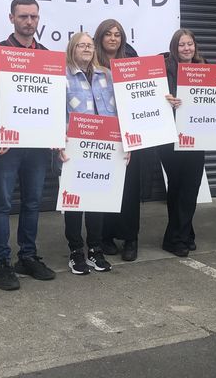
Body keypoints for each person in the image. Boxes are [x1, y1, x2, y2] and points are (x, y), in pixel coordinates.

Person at [0, 0, 56, 291]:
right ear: (11, 18)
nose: (29, 22)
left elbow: (51, 102)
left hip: (37, 145)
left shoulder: (48, 55)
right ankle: (3, 263)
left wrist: (53, 135)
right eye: (23, 16)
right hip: (6, 143)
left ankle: (28, 256)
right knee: (2, 202)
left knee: (34, 201)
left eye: (33, 17)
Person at [160, 29, 216, 256]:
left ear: (195, 46)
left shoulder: (205, 67)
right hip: (170, 137)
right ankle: (179, 237)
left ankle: (180, 234)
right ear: (175, 47)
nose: (186, 48)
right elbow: (152, 98)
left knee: (190, 187)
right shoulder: (163, 69)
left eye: (190, 44)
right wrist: (166, 100)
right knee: (177, 187)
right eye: (182, 45)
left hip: (196, 136)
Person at [60, 32, 124, 274]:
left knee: (97, 201)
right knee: (74, 203)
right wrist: (57, 144)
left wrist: (124, 145)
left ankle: (95, 250)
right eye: (81, 45)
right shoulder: (61, 76)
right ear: (72, 49)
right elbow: (54, 112)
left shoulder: (106, 75)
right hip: (73, 149)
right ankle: (76, 251)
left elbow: (123, 109)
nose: (86, 48)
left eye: (89, 45)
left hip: (104, 148)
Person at [95, 18, 147, 262]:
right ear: (100, 37)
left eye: (117, 34)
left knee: (129, 188)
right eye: (108, 34)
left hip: (130, 132)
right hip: (102, 132)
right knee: (105, 185)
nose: (113, 38)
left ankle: (130, 238)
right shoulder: (91, 61)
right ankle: (105, 236)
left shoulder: (131, 58)